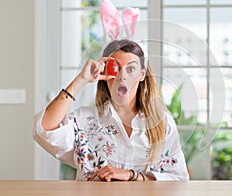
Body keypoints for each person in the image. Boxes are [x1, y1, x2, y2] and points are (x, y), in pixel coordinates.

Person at [33, 39, 189, 181]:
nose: (122, 77)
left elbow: (179, 179)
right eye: (115, 68)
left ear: (142, 74)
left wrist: (131, 175)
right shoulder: (84, 120)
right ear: (105, 73)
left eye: (131, 69)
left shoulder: (162, 122)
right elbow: (44, 129)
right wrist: (81, 80)